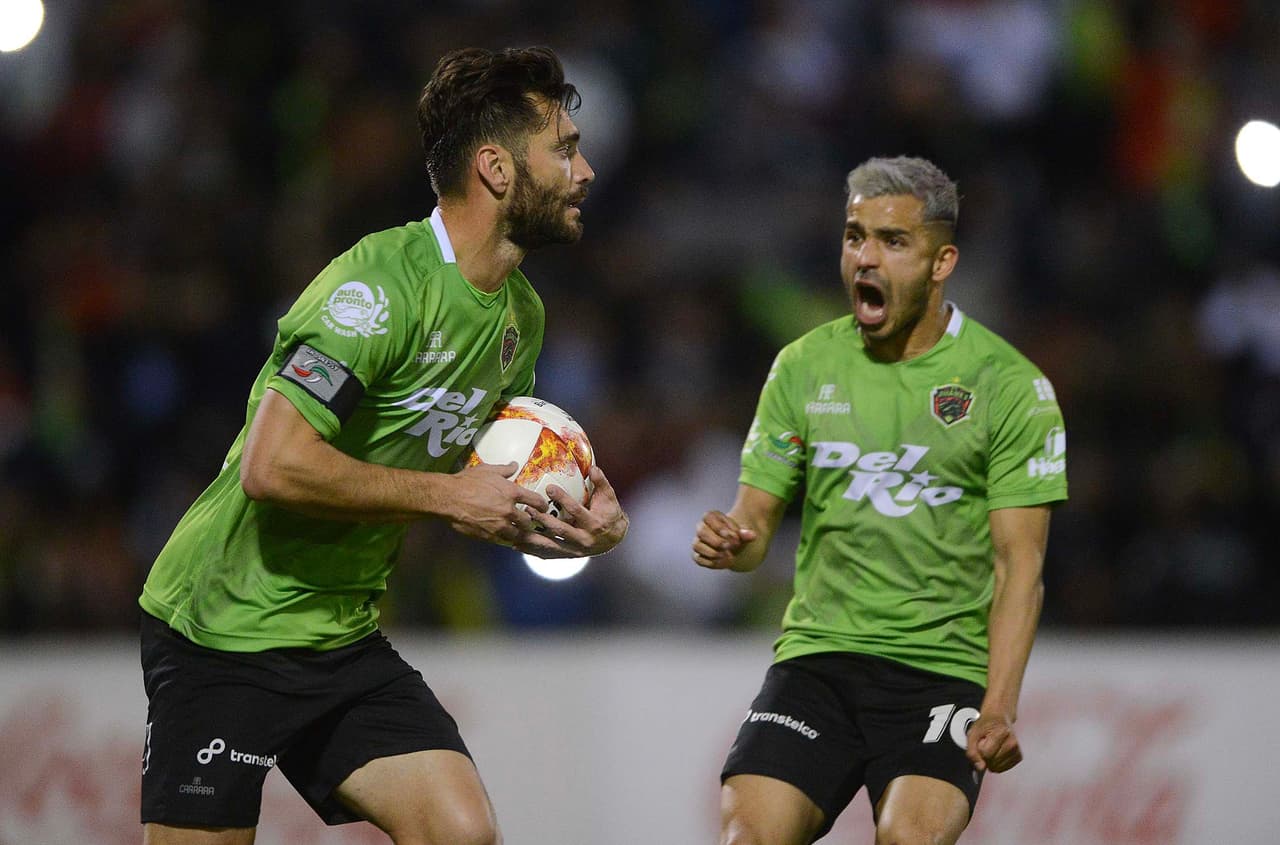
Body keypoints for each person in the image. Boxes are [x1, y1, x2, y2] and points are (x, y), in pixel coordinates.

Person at [138, 46, 628, 845]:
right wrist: (446, 498)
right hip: (222, 630)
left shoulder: (519, 318)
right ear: (498, 169)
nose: (587, 172)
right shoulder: (375, 288)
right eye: (567, 150)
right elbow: (272, 466)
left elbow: (488, 478)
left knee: (461, 831)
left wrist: (586, 521)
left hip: (340, 637)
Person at [691, 156, 1067, 845]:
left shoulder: (1008, 386)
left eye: (892, 241)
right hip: (818, 661)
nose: (865, 257)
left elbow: (1021, 568)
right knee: (750, 835)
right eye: (854, 235)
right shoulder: (803, 366)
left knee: (909, 838)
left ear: (940, 261)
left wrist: (1000, 705)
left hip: (940, 673)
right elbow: (754, 528)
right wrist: (732, 541)